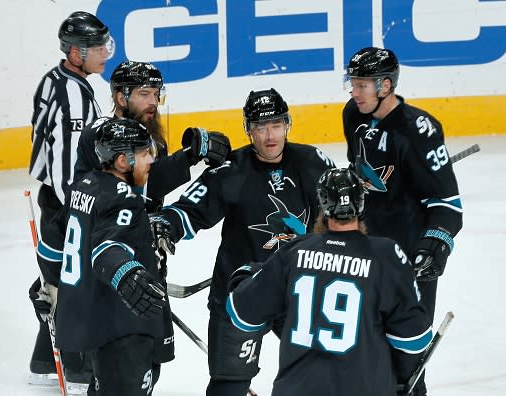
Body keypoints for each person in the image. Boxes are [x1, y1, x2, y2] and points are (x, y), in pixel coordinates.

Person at [155, 88, 335, 395]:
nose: (269, 136)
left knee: (327, 374)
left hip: (298, 290)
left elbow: (344, 219)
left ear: (287, 124)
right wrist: (164, 227)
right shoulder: (230, 171)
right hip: (239, 294)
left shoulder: (314, 163)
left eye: (276, 125)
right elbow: (188, 211)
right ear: (248, 130)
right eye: (260, 128)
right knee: (228, 386)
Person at [226, 167, 433, 396]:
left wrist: (247, 276)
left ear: (323, 207)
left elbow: (241, 314)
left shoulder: (295, 252)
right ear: (361, 204)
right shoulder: (386, 255)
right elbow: (414, 340)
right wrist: (403, 381)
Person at [342, 46, 463, 395]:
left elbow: (447, 205)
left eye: (362, 84)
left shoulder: (419, 131)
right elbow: (358, 174)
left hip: (407, 257)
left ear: (385, 86)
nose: (354, 91)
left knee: (405, 372)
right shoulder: (353, 114)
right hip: (363, 252)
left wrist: (432, 250)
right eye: (353, 83)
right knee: (358, 353)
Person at [33, 117, 174, 395]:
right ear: (122, 161)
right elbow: (109, 246)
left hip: (93, 319)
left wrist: (49, 283)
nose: (151, 161)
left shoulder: (83, 185)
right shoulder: (123, 199)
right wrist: (126, 273)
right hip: (122, 322)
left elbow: (50, 243)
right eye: (145, 153)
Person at [27, 10, 115, 386]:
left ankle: (46, 358)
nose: (105, 54)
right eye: (97, 48)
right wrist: (83, 209)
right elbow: (66, 166)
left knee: (64, 282)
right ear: (76, 53)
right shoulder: (72, 95)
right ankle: (76, 366)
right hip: (65, 204)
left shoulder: (58, 79)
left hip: (56, 200)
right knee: (75, 285)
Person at [73, 60, 231, 215]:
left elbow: (149, 203)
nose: (153, 102)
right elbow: (140, 186)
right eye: (144, 94)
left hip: (124, 233)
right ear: (122, 99)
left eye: (156, 94)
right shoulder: (102, 134)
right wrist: (189, 155)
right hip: (98, 235)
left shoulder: (155, 142)